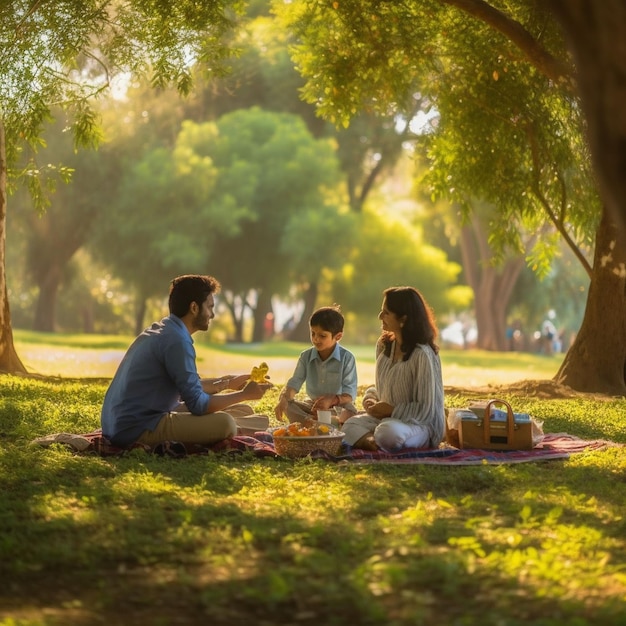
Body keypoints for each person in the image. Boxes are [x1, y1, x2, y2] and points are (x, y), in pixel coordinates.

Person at [101, 274, 272, 448]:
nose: (212, 315)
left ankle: (246, 426)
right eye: (210, 307)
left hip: (124, 423)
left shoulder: (167, 330)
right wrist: (245, 395)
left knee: (244, 411)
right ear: (194, 308)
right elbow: (198, 405)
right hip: (138, 428)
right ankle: (250, 430)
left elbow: (188, 386)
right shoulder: (177, 341)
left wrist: (227, 382)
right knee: (225, 422)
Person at [342, 286, 445, 452]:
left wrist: (392, 410)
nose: (380, 316)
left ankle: (374, 439)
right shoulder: (384, 346)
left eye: (386, 312)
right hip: (386, 419)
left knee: (387, 433)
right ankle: (370, 441)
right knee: (348, 424)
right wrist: (371, 398)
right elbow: (385, 388)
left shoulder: (422, 354)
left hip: (418, 424)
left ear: (403, 318)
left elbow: (427, 409)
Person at [274, 305, 358, 425]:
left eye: (322, 336)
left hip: (338, 406)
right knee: (289, 405)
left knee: (349, 412)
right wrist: (285, 399)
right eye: (313, 333)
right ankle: (319, 423)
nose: (316, 339)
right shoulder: (305, 356)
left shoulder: (347, 358)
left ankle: (315, 423)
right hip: (312, 406)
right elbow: (295, 382)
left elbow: (349, 394)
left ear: (338, 336)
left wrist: (331, 400)